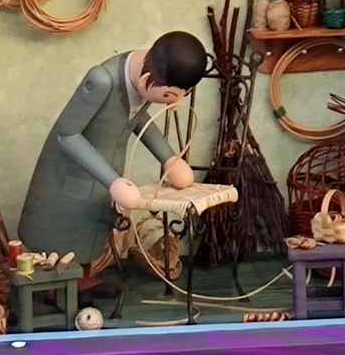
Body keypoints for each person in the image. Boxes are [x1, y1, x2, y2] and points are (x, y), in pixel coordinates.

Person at [18, 32, 208, 265]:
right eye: (168, 95)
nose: (173, 103)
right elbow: (66, 134)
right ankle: (61, 283)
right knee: (60, 247)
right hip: (71, 181)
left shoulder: (146, 78)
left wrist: (169, 159)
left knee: (91, 245)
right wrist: (112, 181)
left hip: (103, 188)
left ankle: (85, 278)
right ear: (147, 77)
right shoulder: (102, 81)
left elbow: (136, 117)